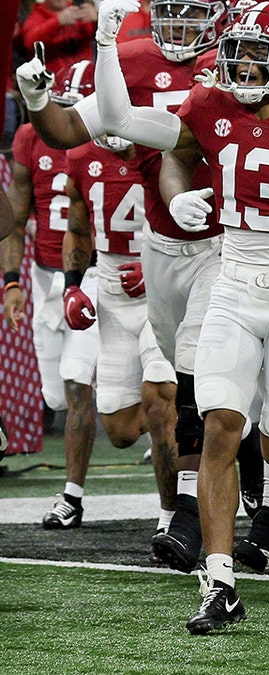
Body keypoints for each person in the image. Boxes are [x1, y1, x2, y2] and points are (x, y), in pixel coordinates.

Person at [88, 0, 269, 633]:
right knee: (219, 425)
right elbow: (119, 118)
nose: (246, 64)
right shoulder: (208, 106)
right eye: (238, 50)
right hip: (231, 279)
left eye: (261, 52)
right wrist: (105, 39)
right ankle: (220, 582)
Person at [60, 61, 182, 546]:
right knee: (121, 428)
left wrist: (155, 266)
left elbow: (204, 218)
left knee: (160, 404)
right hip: (111, 289)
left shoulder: (168, 148)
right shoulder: (81, 157)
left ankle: (173, 516)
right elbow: (76, 225)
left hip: (162, 285)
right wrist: (74, 283)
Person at [2, 88, 100, 532]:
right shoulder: (28, 137)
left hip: (92, 275)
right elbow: (17, 219)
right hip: (43, 276)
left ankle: (71, 496)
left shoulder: (105, 134)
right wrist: (11, 282)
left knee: (79, 386)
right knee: (55, 397)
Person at [21, 0, 98, 76]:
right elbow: (29, 42)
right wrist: (57, 22)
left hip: (85, 78)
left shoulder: (80, 10)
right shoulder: (37, 16)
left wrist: (98, 20)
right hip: (54, 82)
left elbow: (101, 39)